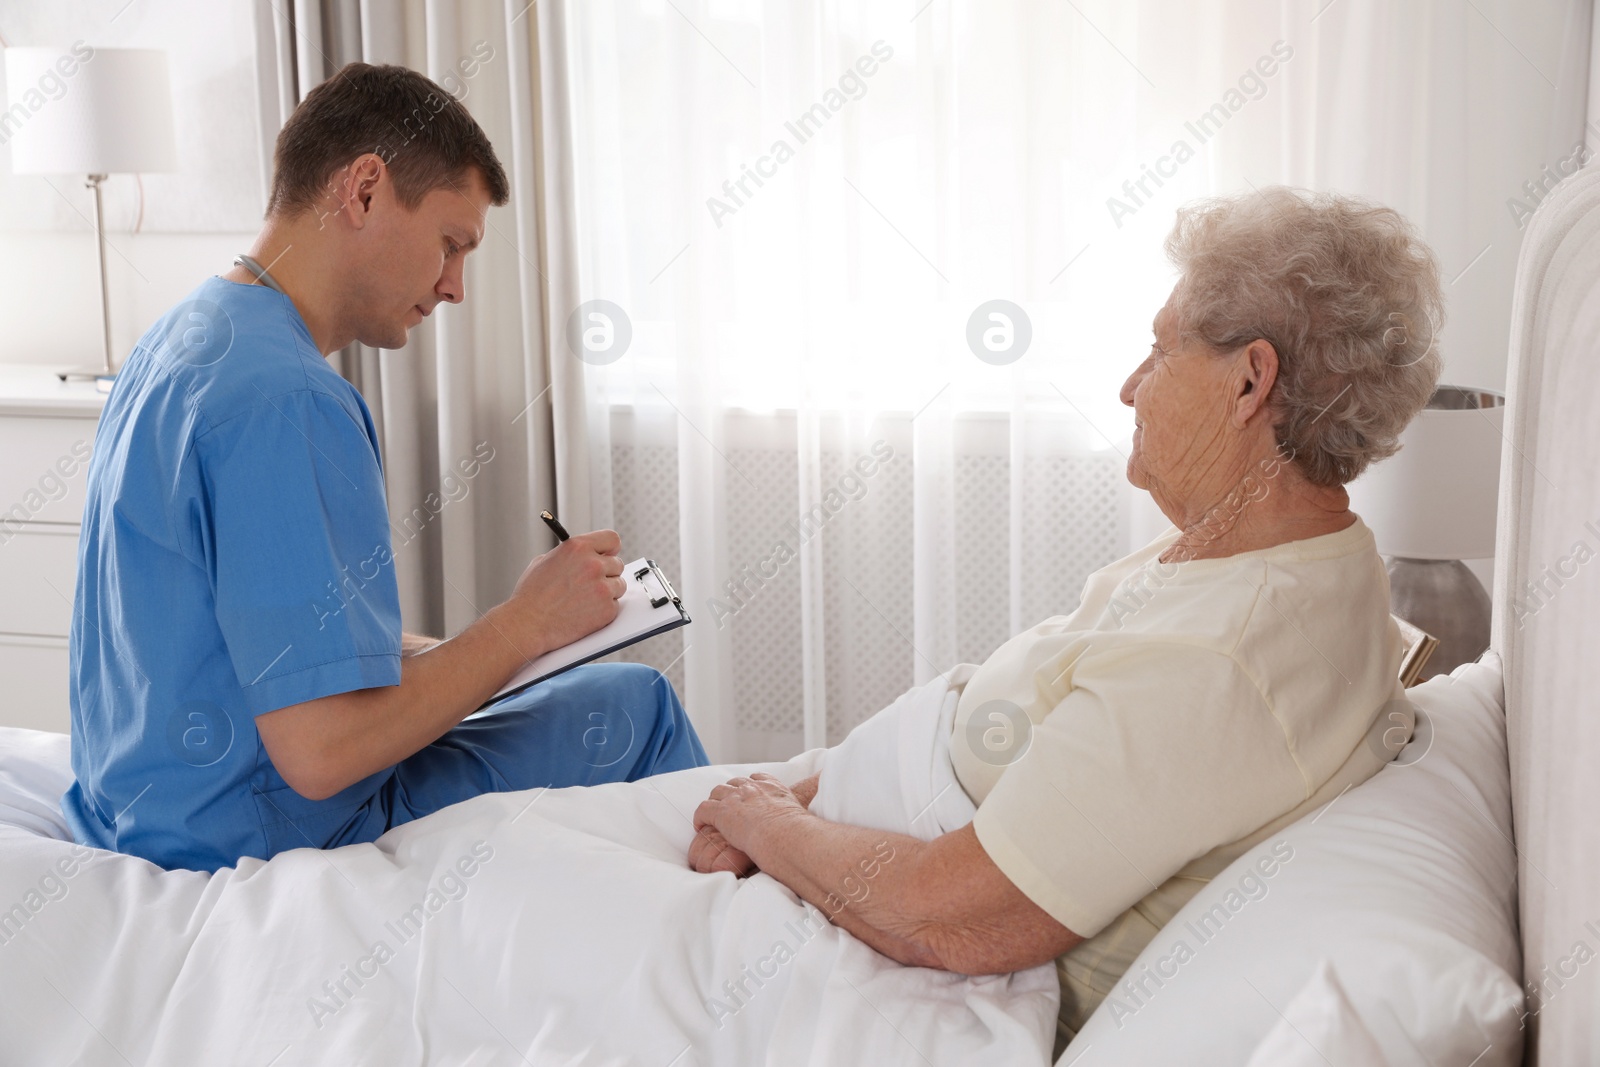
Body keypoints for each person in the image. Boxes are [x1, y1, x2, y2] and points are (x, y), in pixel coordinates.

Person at [688, 186, 1442, 1049]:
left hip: (896, 946)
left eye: (1159, 352)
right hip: (833, 846)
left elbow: (943, 917)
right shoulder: (1266, 554)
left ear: (1250, 378)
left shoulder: (1219, 659)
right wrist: (792, 801)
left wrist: (771, 825)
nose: (1129, 388)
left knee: (514, 889)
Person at [62, 63, 707, 875]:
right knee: (636, 705)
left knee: (535, 687)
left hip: (144, 801)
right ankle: (729, 939)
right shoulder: (291, 398)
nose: (455, 287)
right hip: (252, 827)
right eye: (450, 243)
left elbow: (244, 627)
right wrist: (520, 626)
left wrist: (488, 655)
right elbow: (323, 754)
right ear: (364, 190)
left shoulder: (180, 339)